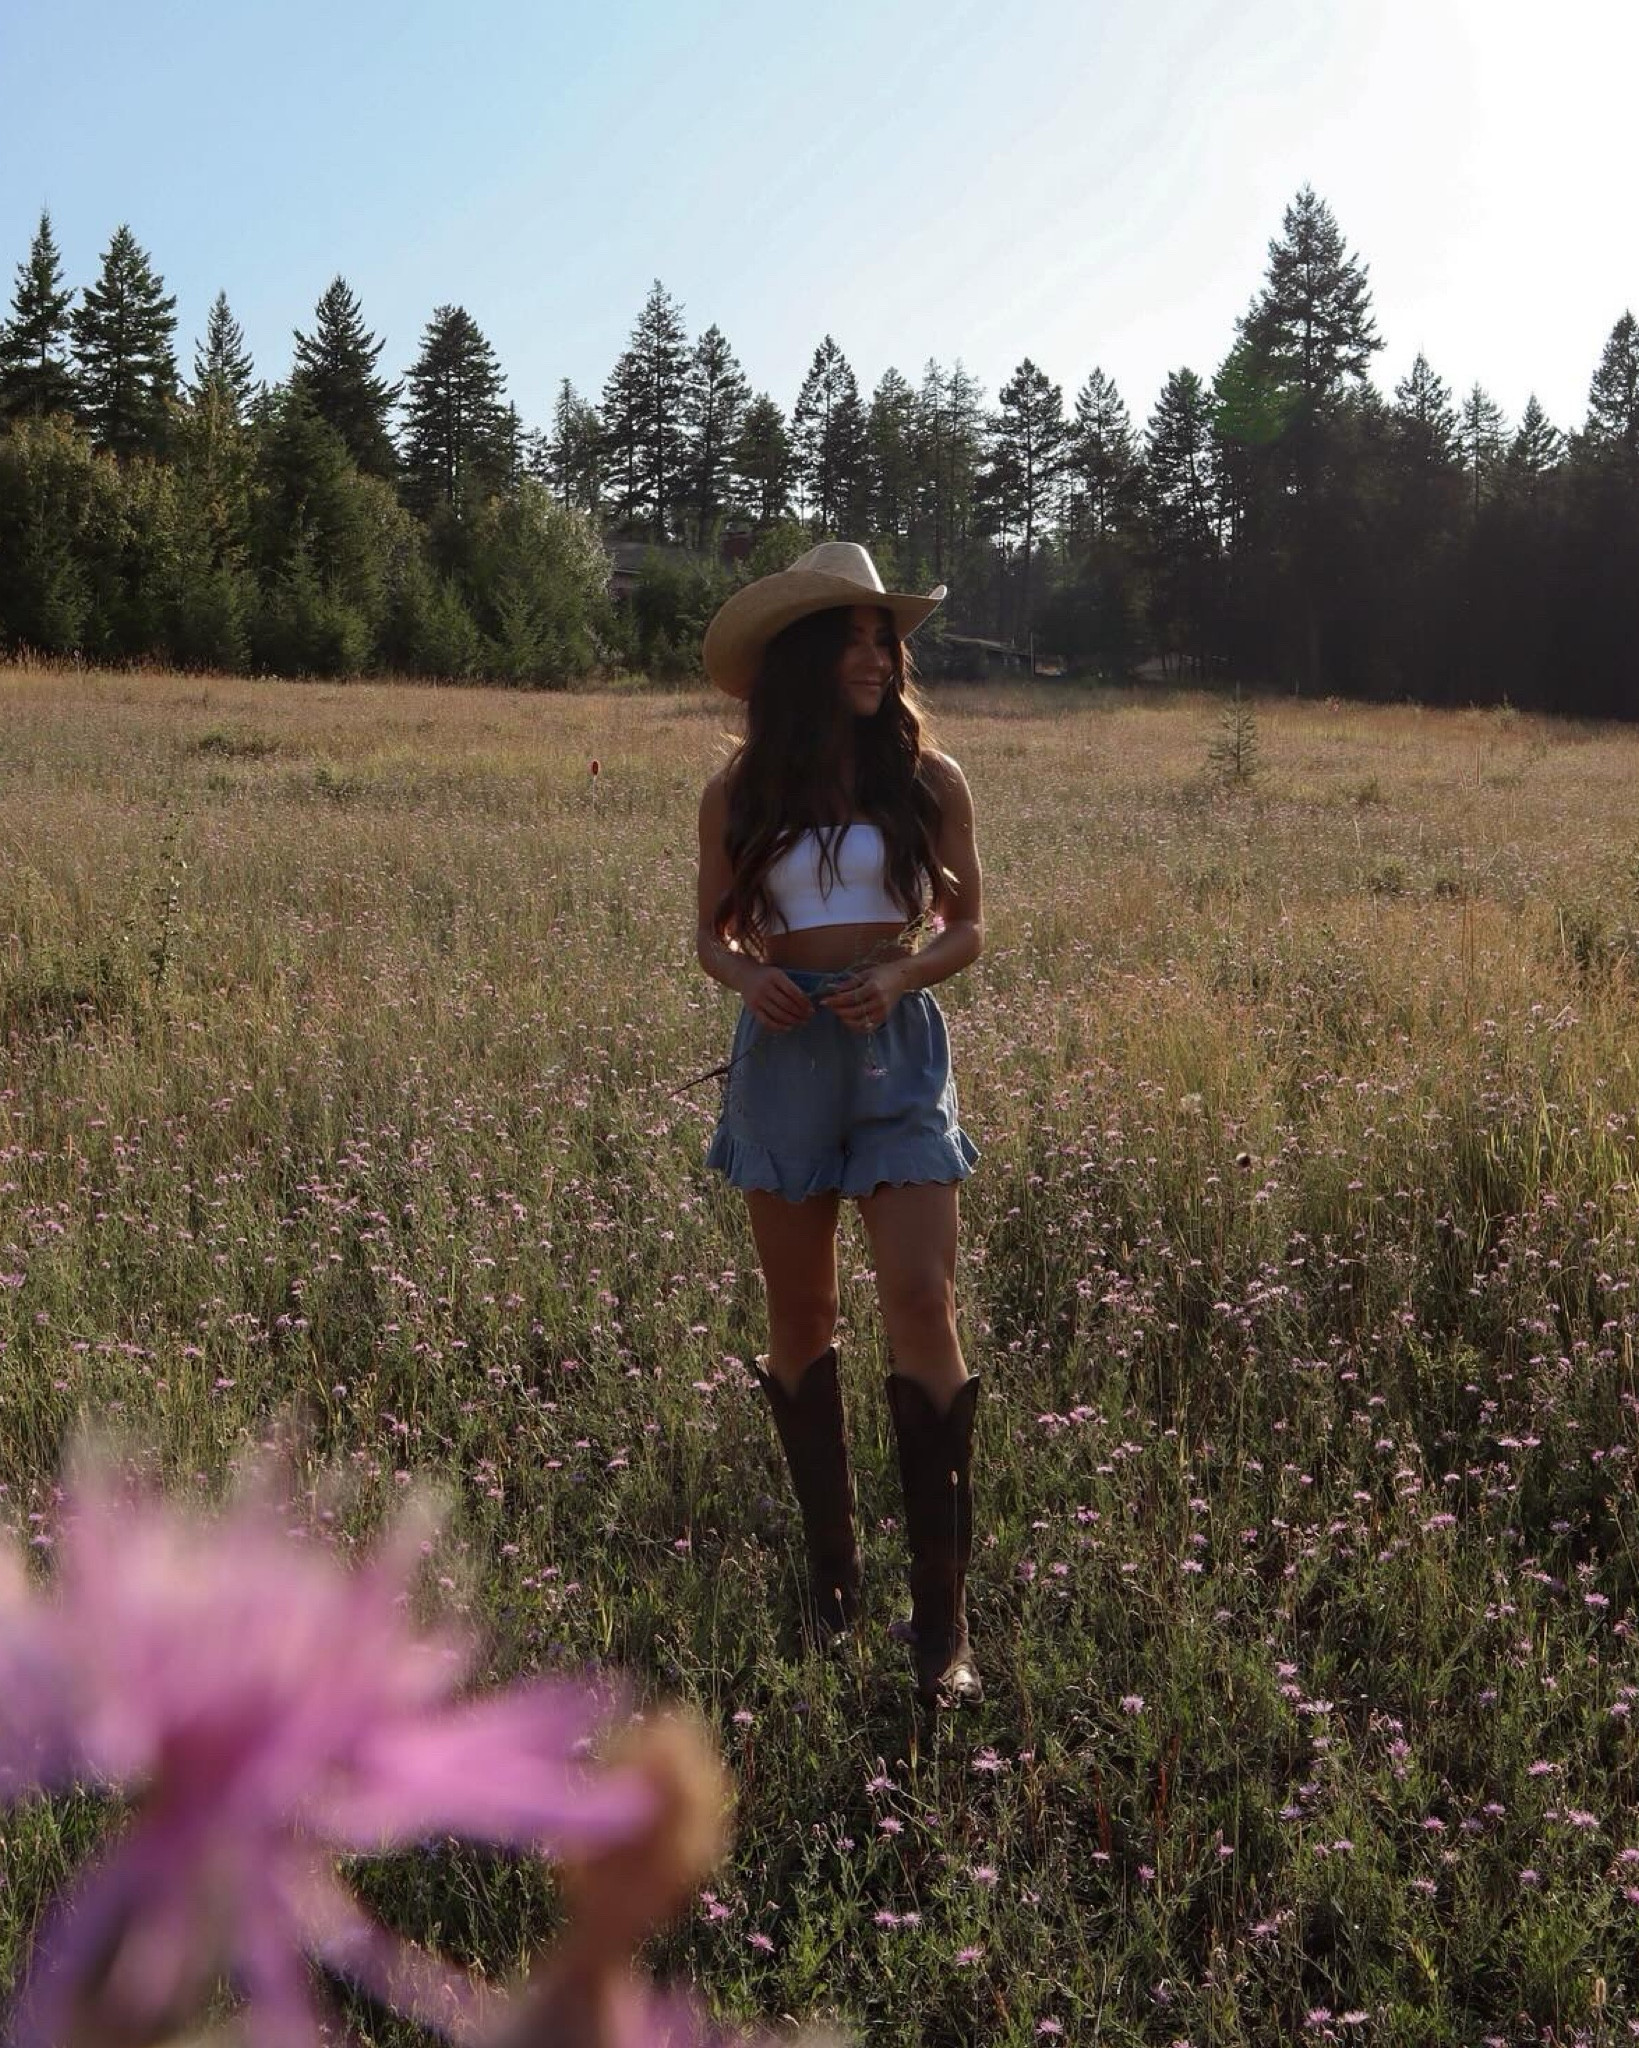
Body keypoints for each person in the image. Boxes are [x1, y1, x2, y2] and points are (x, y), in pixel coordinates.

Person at [695, 542, 984, 1708]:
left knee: (921, 1296)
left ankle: (944, 1625)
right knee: (802, 1310)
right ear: (805, 658)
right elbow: (709, 935)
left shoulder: (930, 777)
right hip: (785, 1056)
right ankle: (832, 1582)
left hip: (894, 1051)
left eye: (885, 637)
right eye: (853, 637)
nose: (875, 655)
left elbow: (967, 929)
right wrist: (743, 976)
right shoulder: (738, 790)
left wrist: (903, 977)